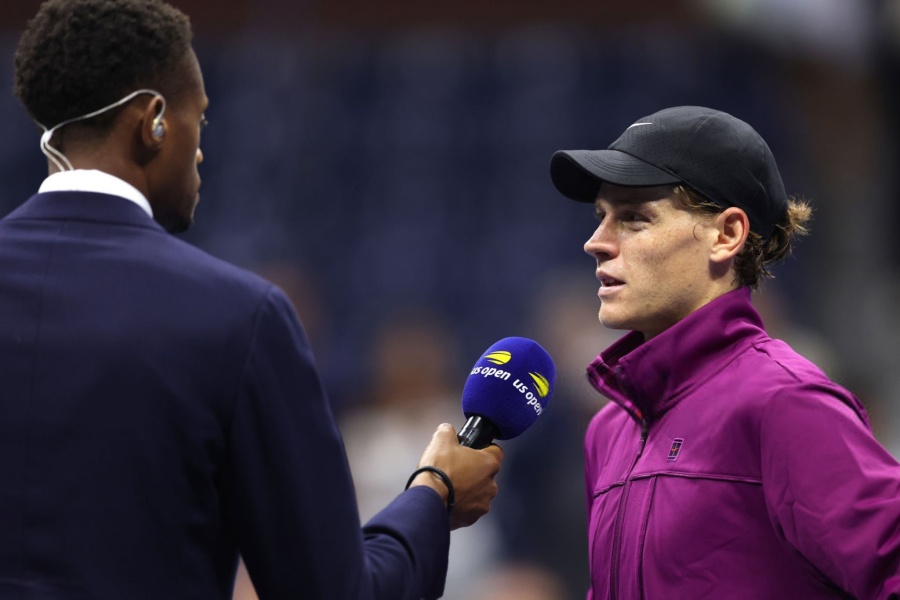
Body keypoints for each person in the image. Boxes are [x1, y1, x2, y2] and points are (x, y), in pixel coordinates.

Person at [0, 1, 502, 599]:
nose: (202, 151)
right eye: (200, 121)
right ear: (152, 121)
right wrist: (433, 495)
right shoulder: (235, 318)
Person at [549, 106, 900, 599]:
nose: (596, 243)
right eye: (601, 217)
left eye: (633, 217)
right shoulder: (609, 430)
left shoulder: (786, 403)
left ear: (726, 235)